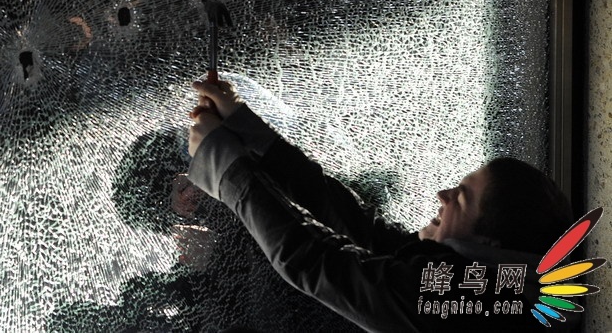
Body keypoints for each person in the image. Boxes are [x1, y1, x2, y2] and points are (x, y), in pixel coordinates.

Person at [186, 79, 574, 332]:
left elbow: (314, 263)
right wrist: (246, 129)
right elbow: (359, 227)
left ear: (490, 243)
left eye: (460, 197)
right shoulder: (509, 291)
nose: (442, 195)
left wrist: (225, 167)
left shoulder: (469, 301)